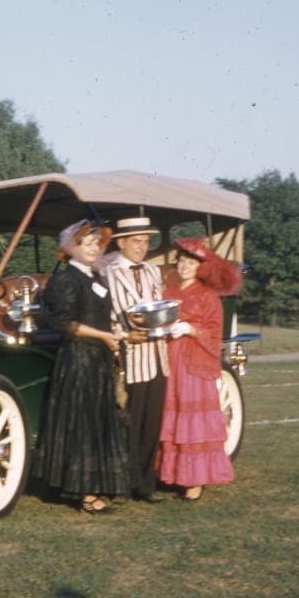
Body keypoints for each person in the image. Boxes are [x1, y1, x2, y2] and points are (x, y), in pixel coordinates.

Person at [31, 219, 133, 514]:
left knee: (98, 423)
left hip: (98, 359)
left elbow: (100, 316)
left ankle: (96, 486)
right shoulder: (66, 280)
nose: (92, 248)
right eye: (86, 244)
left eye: (96, 244)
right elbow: (66, 325)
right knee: (83, 427)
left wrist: (114, 332)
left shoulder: (96, 278)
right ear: (72, 248)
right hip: (78, 360)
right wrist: (105, 336)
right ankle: (86, 495)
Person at [156, 237, 243, 501]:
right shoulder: (167, 293)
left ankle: (196, 479)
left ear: (200, 267)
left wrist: (192, 329)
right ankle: (173, 474)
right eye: (182, 260)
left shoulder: (208, 296)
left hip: (195, 364)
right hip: (171, 359)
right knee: (174, 417)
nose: (184, 266)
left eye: (191, 262)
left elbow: (215, 334)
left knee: (193, 421)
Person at [100, 216, 169, 503]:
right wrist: (126, 336)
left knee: (152, 424)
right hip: (130, 356)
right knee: (128, 422)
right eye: (136, 242)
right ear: (121, 243)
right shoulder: (107, 273)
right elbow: (105, 318)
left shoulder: (153, 271)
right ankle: (121, 485)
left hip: (158, 357)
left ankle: (146, 485)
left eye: (145, 242)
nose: (142, 247)